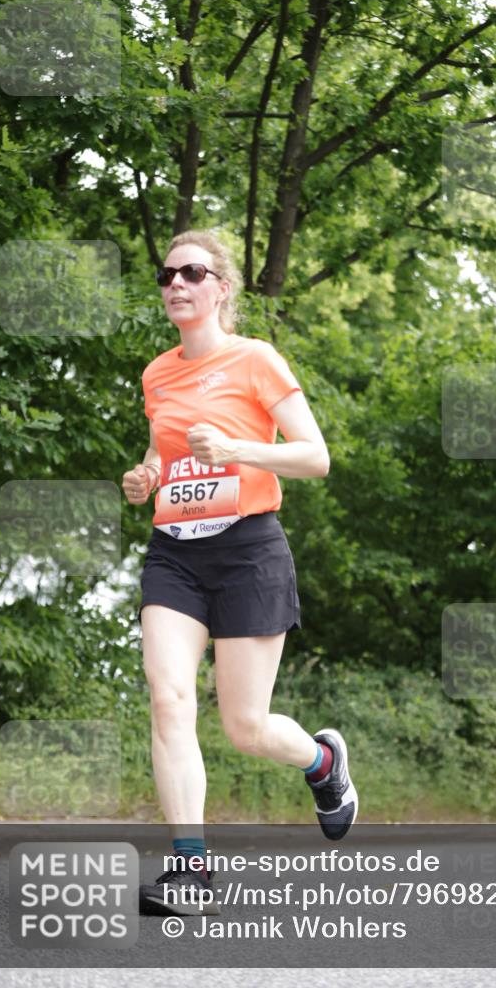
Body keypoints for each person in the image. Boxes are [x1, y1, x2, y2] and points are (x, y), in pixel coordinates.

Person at [122, 230, 358, 916]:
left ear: (221, 288)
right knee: (169, 698)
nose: (175, 284)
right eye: (166, 274)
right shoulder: (157, 372)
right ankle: (190, 870)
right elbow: (161, 452)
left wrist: (235, 449)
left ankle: (321, 763)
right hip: (175, 553)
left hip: (248, 550)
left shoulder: (255, 360)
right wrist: (146, 477)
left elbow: (315, 457)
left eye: (191, 273)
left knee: (244, 728)